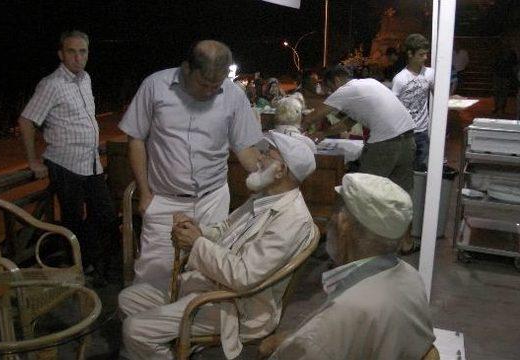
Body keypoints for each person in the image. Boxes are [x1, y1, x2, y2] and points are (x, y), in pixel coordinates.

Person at [119, 132, 319, 360]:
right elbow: (225, 228)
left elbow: (243, 276)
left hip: (239, 307)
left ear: (281, 170)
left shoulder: (292, 220)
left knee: (135, 330)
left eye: (266, 154)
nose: (259, 158)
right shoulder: (264, 197)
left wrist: (196, 243)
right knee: (127, 300)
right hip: (215, 286)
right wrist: (196, 230)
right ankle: (173, 348)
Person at [119, 40, 262, 289]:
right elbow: (136, 139)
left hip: (213, 198)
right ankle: (146, 324)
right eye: (204, 84)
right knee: (154, 274)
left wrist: (268, 178)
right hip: (165, 199)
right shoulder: (155, 86)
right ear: (186, 69)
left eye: (215, 86)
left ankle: (188, 323)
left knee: (206, 271)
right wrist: (144, 193)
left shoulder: (233, 95)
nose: (209, 91)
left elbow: (244, 148)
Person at [260, 173, 435, 360]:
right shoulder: (412, 278)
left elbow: (320, 340)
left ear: (343, 224)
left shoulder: (336, 320)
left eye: (335, 212)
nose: (330, 220)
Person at [17, 30, 118, 279]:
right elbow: (26, 120)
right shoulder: (51, 84)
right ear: (61, 54)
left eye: (82, 51)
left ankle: (95, 262)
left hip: (91, 163)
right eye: (71, 52)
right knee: (72, 220)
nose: (78, 57)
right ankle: (81, 268)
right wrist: (32, 160)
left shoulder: (86, 79)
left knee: (105, 214)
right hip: (65, 164)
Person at [305, 65, 416, 192]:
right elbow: (349, 122)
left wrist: (298, 128)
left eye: (330, 88)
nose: (331, 92)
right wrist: (324, 133)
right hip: (408, 139)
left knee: (364, 191)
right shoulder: (369, 83)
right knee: (400, 194)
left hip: (386, 143)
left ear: (336, 80)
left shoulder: (345, 90)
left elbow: (314, 116)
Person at [392, 34, 435, 171]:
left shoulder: (430, 74)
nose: (425, 58)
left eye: (426, 54)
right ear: (410, 54)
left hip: (422, 131)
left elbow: (439, 96)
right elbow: (393, 107)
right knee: (404, 170)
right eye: (421, 54)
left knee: (420, 170)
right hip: (405, 132)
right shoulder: (400, 79)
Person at [492, 48, 518, 117]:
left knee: (503, 92)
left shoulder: (511, 54)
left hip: (505, 75)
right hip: (499, 74)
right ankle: (498, 106)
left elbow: (514, 65)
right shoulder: (499, 52)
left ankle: (501, 107)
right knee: (498, 92)